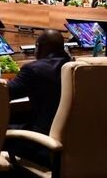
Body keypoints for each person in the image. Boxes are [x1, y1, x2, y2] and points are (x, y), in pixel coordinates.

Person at [5, 29, 71, 167]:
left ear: (39, 47)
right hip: (76, 145)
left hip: (45, 146)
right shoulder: (75, 67)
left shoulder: (34, 69)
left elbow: (5, 93)